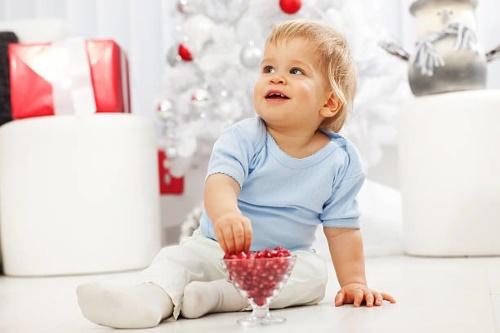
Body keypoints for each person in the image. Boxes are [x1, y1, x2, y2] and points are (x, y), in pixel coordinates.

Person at [76, 19, 396, 329]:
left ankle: (217, 297)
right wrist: (226, 214)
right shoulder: (244, 137)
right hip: (218, 249)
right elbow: (221, 182)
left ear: (328, 102)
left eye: (295, 70)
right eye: (268, 68)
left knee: (313, 277)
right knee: (177, 259)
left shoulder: (341, 160)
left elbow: (342, 230)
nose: (276, 77)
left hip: (281, 261)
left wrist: (354, 282)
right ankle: (148, 300)